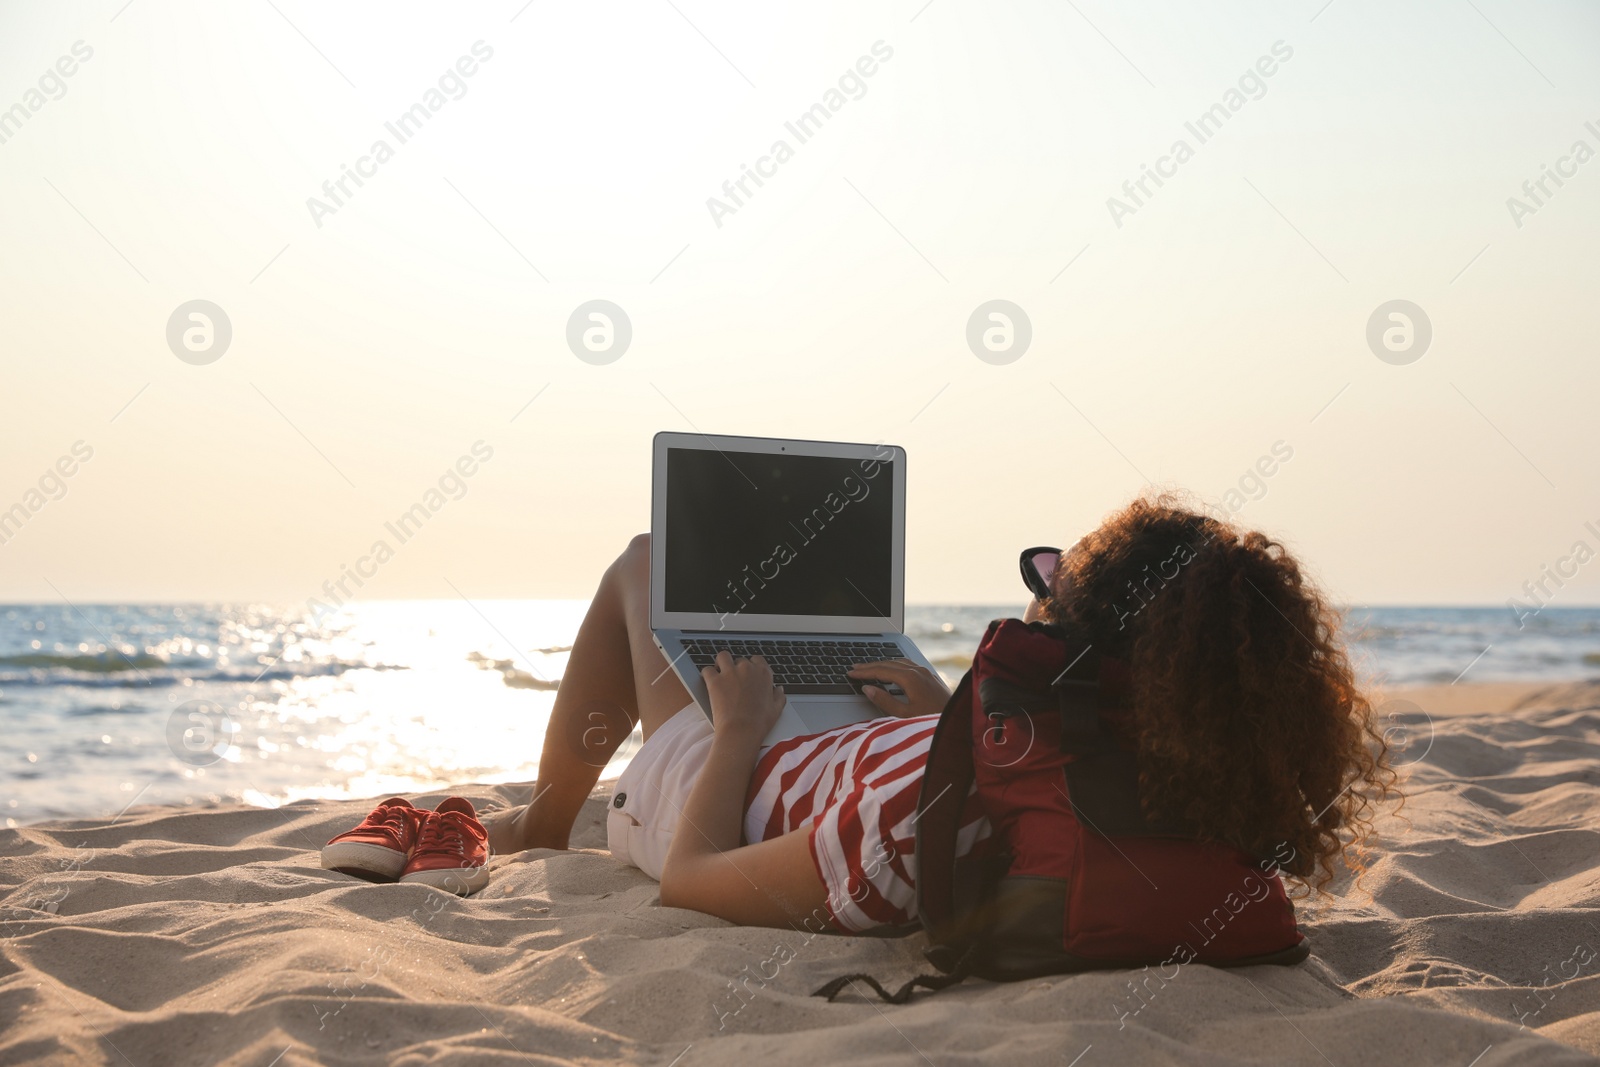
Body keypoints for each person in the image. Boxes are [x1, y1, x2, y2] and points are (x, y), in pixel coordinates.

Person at [484, 494, 1397, 933]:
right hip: (875, 745)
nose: (1035, 594)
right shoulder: (1184, 786)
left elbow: (692, 876)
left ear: (1070, 642)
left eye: (1050, 584)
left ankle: (545, 821)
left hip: (735, 780)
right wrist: (949, 714)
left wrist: (734, 732)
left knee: (643, 562)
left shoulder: (913, 825)